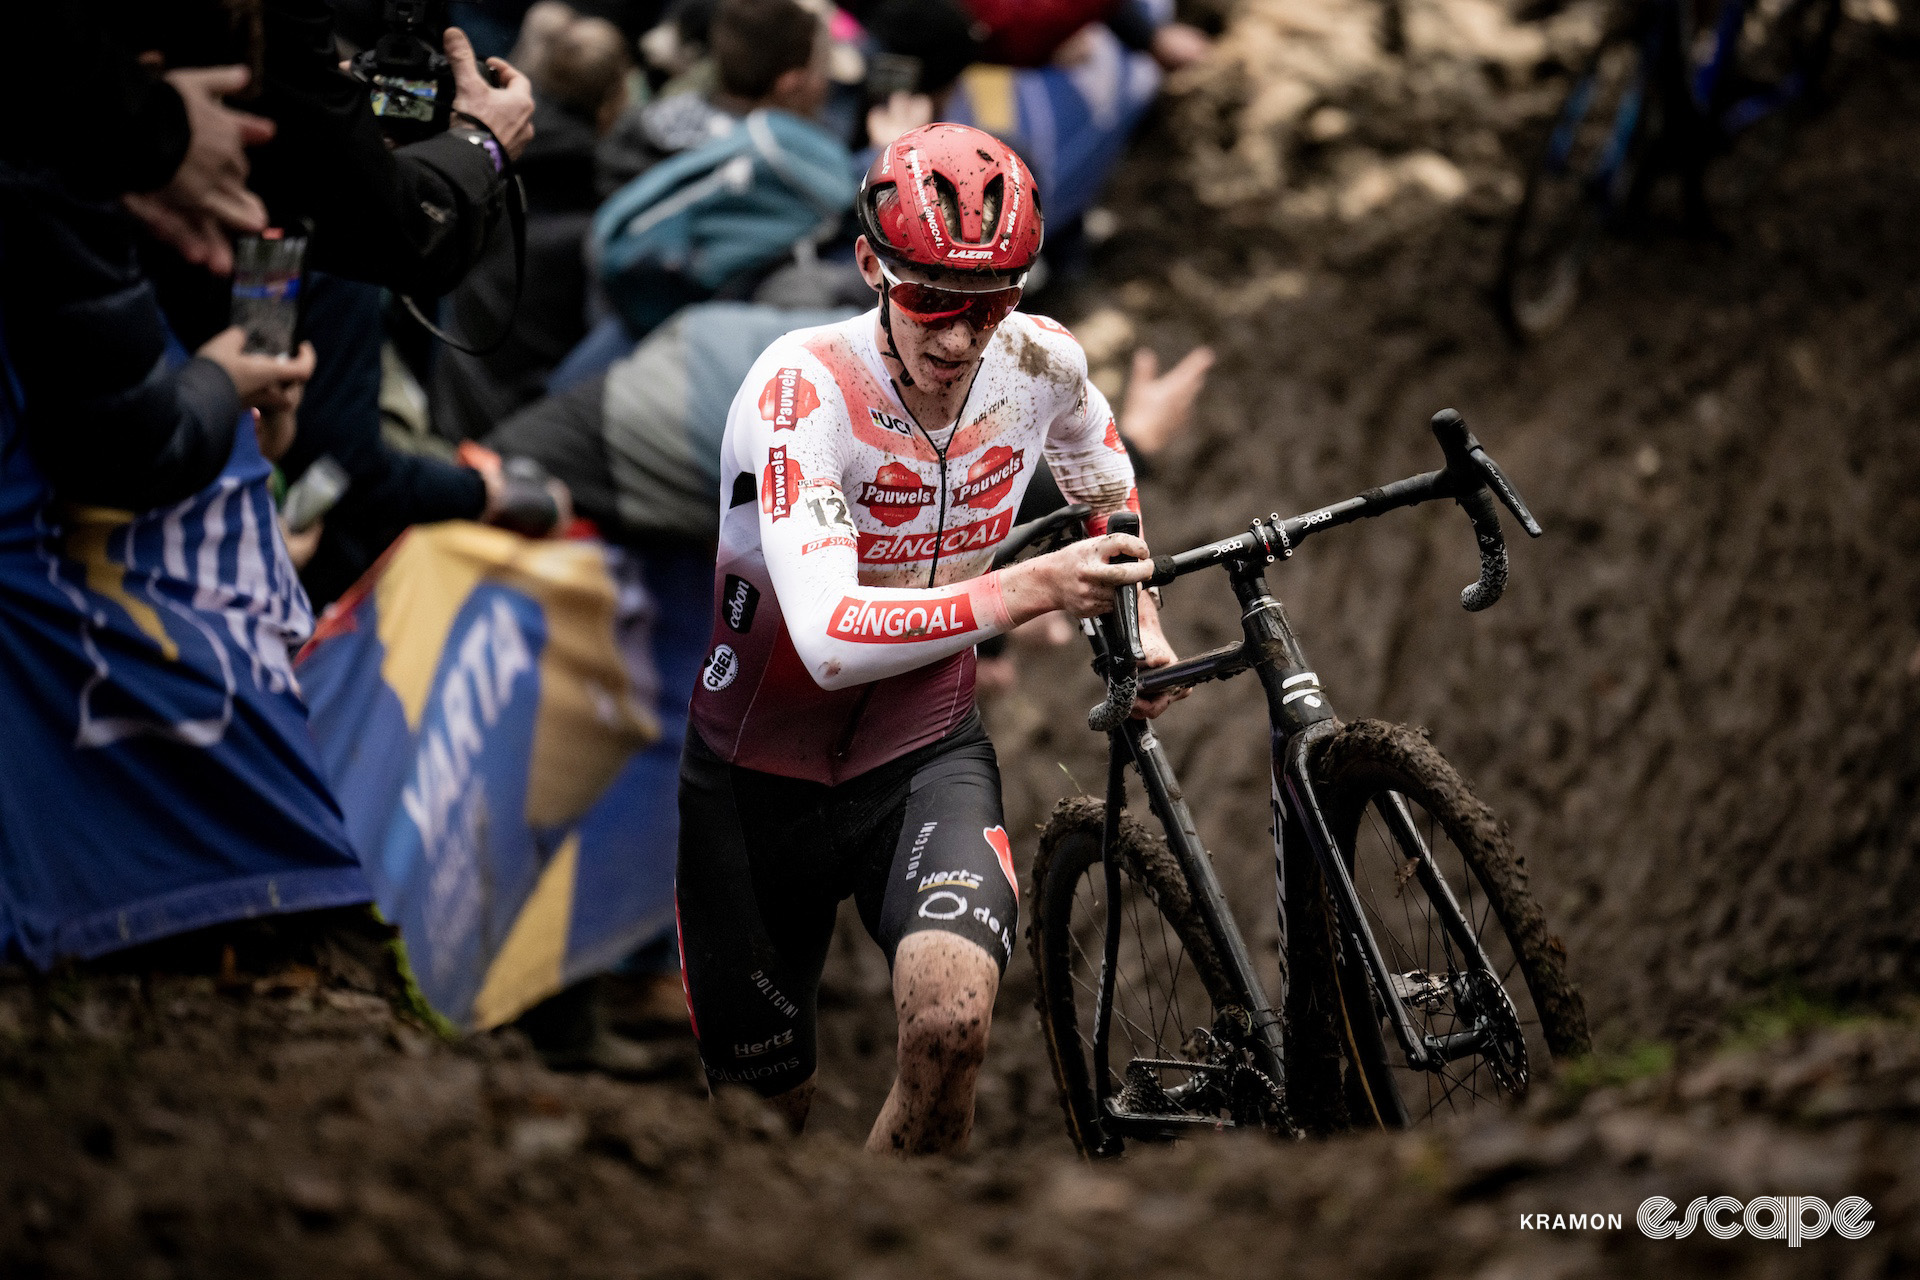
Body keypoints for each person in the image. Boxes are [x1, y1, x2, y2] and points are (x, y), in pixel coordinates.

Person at [673, 122, 1180, 1154]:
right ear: (870, 265)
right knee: (766, 1126)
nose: (958, 338)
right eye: (931, 301)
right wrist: (1029, 587)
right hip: (753, 779)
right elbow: (824, 637)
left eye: (988, 303)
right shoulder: (798, 389)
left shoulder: (1041, 362)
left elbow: (1106, 490)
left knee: (951, 1029)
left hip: (922, 749)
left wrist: (1143, 626)